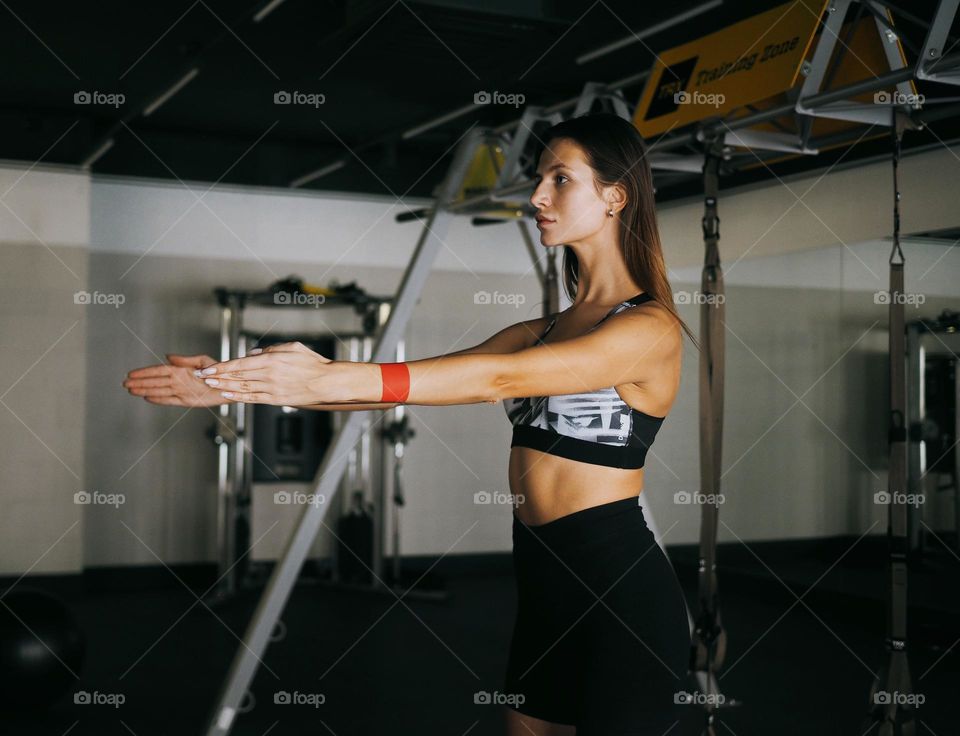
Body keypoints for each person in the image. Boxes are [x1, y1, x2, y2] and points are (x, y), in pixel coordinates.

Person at [123, 112, 698, 735]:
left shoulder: (649, 329)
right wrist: (225, 385)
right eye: (539, 178)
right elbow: (406, 388)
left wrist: (327, 376)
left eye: (559, 179)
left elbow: (493, 381)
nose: (536, 196)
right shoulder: (544, 329)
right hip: (543, 587)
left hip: (621, 596)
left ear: (616, 196)